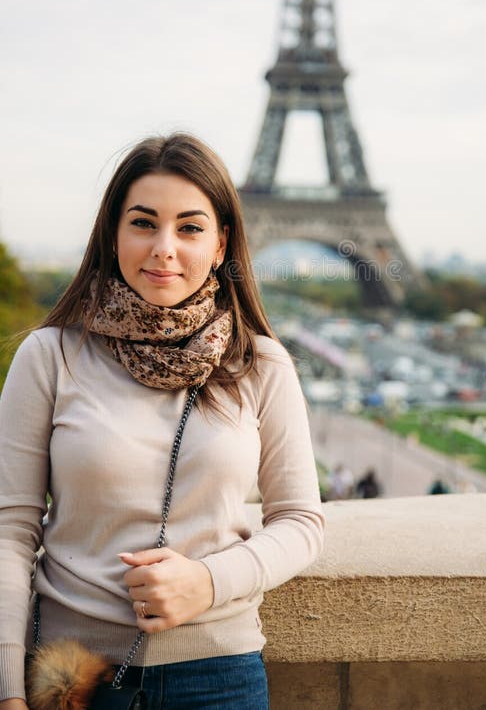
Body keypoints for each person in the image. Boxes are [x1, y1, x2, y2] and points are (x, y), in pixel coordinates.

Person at [0, 133, 324, 710]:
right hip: (72, 675)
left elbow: (301, 522)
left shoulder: (261, 364)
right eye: (144, 223)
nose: (164, 248)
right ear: (114, 234)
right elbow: (9, 532)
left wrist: (208, 582)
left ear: (222, 244)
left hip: (220, 676)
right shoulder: (50, 356)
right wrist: (6, 691)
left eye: (190, 228)